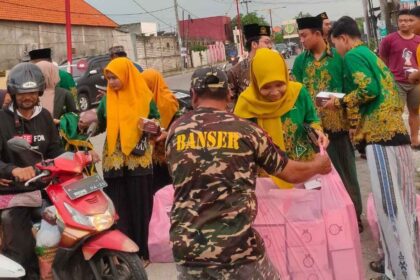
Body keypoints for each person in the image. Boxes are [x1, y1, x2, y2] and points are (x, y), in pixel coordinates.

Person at [165, 66, 332, 280]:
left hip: (186, 248)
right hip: (237, 250)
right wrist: (318, 165)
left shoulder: (175, 131)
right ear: (229, 95)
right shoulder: (247, 131)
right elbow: (290, 173)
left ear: (193, 95)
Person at [325, 16, 420, 280]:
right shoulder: (370, 53)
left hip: (381, 138)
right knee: (404, 205)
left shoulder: (353, 55)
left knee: (390, 208)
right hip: (396, 136)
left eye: (336, 44)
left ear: (343, 38)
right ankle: (399, 265)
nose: (337, 51)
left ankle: (401, 273)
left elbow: (368, 90)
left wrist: (339, 102)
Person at [292, 16, 363, 231]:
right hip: (312, 130)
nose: (301, 40)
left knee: (345, 172)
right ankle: (328, 217)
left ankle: (353, 215)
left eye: (304, 35)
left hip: (338, 125)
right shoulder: (300, 62)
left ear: (318, 34)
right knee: (316, 176)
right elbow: (296, 93)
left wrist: (353, 124)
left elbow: (352, 91)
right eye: (299, 36)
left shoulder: (339, 58)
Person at [0, 63, 65, 279]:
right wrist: (13, 170)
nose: (27, 97)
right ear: (13, 93)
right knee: (21, 249)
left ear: (38, 92)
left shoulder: (45, 116)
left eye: (31, 92)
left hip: (47, 189)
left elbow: (56, 150)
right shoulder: (1, 120)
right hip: (14, 194)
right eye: (22, 93)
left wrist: (77, 157)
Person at [96, 57, 162, 261]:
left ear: (126, 74)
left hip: (137, 156)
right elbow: (100, 121)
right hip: (114, 157)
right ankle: (123, 252)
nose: (112, 82)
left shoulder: (144, 95)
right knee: (118, 203)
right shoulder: (107, 99)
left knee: (140, 202)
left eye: (114, 77)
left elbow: (156, 117)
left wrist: (151, 125)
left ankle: (143, 250)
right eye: (108, 78)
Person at [234, 48, 328, 189]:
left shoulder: (298, 93)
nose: (275, 92)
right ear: (256, 81)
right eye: (266, 87)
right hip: (268, 178)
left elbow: (312, 119)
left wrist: (318, 132)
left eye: (280, 84)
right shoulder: (246, 104)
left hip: (304, 169)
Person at [379, 9, 420, 149]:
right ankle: (401, 139)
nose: (405, 23)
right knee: (396, 112)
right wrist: (386, 78)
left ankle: (415, 139)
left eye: (408, 20)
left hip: (416, 82)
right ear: (397, 22)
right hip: (397, 81)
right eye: (402, 20)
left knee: (414, 112)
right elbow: (382, 60)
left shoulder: (418, 40)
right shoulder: (389, 39)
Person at [142, 68, 179, 194]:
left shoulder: (167, 101)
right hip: (156, 151)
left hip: (165, 150)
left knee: (164, 188)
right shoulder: (146, 100)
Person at [227, 24, 273, 105]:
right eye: (266, 42)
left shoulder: (276, 66)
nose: (270, 46)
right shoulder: (236, 72)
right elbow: (230, 103)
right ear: (254, 44)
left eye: (270, 43)